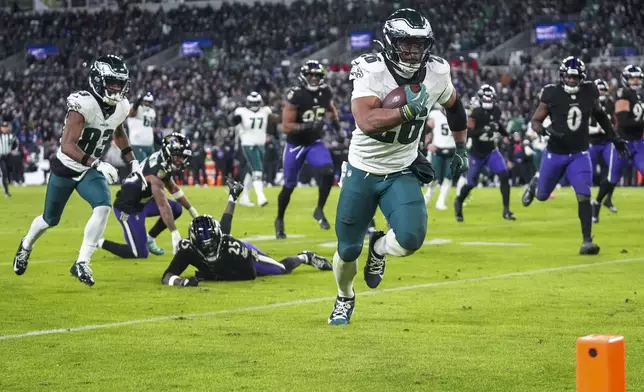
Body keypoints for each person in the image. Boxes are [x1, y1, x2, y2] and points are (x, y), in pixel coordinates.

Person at [328, 8, 469, 325]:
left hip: (402, 169)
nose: (413, 51)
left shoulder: (437, 73)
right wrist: (407, 112)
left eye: (419, 44)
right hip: (361, 168)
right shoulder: (370, 70)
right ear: (390, 42)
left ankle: (378, 247)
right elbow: (365, 120)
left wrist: (461, 146)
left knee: (410, 238)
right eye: (406, 43)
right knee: (348, 250)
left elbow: (456, 108)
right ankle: (345, 296)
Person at [13, 54, 139, 285]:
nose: (116, 88)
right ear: (98, 80)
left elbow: (118, 132)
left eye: (120, 83)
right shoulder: (83, 104)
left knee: (103, 206)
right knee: (50, 220)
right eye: (112, 82)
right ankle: (26, 245)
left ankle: (82, 262)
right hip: (67, 167)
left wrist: (133, 160)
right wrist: (97, 163)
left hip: (88, 171)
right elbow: (67, 145)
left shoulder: (121, 106)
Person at [522, 56, 628, 255]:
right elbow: (536, 120)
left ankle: (587, 241)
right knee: (542, 196)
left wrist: (614, 137)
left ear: (582, 78)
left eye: (575, 77)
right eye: (569, 77)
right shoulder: (551, 93)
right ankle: (535, 183)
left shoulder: (589, 91)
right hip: (555, 152)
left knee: (584, 194)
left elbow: (600, 115)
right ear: (562, 76)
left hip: (579, 153)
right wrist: (542, 130)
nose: (572, 80)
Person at [161, 180, 332, 286]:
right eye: (205, 248)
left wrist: (213, 276)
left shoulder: (232, 247)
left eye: (213, 245)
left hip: (249, 258)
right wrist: (181, 282)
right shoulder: (188, 248)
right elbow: (167, 275)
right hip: (224, 258)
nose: (210, 250)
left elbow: (250, 275)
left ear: (218, 240)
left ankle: (305, 257)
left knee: (281, 269)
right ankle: (233, 196)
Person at [99, 133, 200, 259]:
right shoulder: (156, 171)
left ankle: (150, 239)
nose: (181, 160)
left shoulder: (162, 161)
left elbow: (173, 188)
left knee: (176, 209)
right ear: (169, 152)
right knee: (140, 253)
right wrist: (174, 233)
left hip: (143, 203)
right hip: (127, 209)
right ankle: (98, 242)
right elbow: (162, 205)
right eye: (178, 156)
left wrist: (192, 211)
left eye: (183, 157)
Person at [275, 60, 342, 239]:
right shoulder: (295, 95)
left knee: (328, 172)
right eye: (311, 75)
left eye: (317, 75)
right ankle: (279, 220)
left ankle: (319, 209)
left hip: (314, 143)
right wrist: (307, 126)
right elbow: (286, 126)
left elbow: (330, 109)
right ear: (304, 76)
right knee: (289, 186)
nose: (314, 78)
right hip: (295, 145)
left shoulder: (325, 91)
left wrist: (337, 127)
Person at [455, 84, 515, 221]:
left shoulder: (496, 111)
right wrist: (483, 131)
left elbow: (497, 125)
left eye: (490, 99)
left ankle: (506, 210)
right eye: (486, 99)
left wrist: (507, 135)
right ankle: (458, 202)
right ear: (481, 99)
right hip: (477, 153)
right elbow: (468, 132)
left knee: (504, 175)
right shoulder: (475, 113)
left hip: (491, 150)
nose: (488, 102)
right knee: (471, 183)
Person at [593, 65, 643, 223]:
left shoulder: (639, 95)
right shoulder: (623, 94)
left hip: (639, 143)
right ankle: (597, 203)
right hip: (623, 143)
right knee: (612, 178)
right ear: (626, 79)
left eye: (638, 78)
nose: (636, 81)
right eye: (632, 78)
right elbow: (624, 122)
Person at [233, 92, 278, 207]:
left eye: (256, 103)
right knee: (258, 169)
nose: (254, 105)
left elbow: (276, 119)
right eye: (252, 103)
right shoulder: (241, 111)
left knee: (251, 170)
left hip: (261, 144)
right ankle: (260, 197)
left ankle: (244, 197)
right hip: (248, 143)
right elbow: (232, 121)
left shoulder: (265, 110)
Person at [127, 92, 156, 161]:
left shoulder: (152, 111)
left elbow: (150, 128)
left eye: (149, 102)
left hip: (149, 145)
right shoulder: (136, 108)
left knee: (153, 168)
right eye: (146, 101)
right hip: (137, 144)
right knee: (142, 167)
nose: (147, 104)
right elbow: (131, 113)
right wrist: (137, 102)